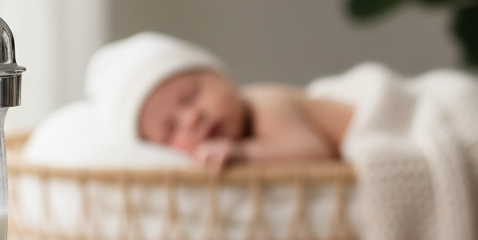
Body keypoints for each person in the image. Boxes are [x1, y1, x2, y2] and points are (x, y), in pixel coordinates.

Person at [85, 33, 354, 171]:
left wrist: (244, 154)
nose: (191, 118)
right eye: (171, 130)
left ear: (221, 77)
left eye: (191, 97)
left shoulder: (263, 104)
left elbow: (312, 151)